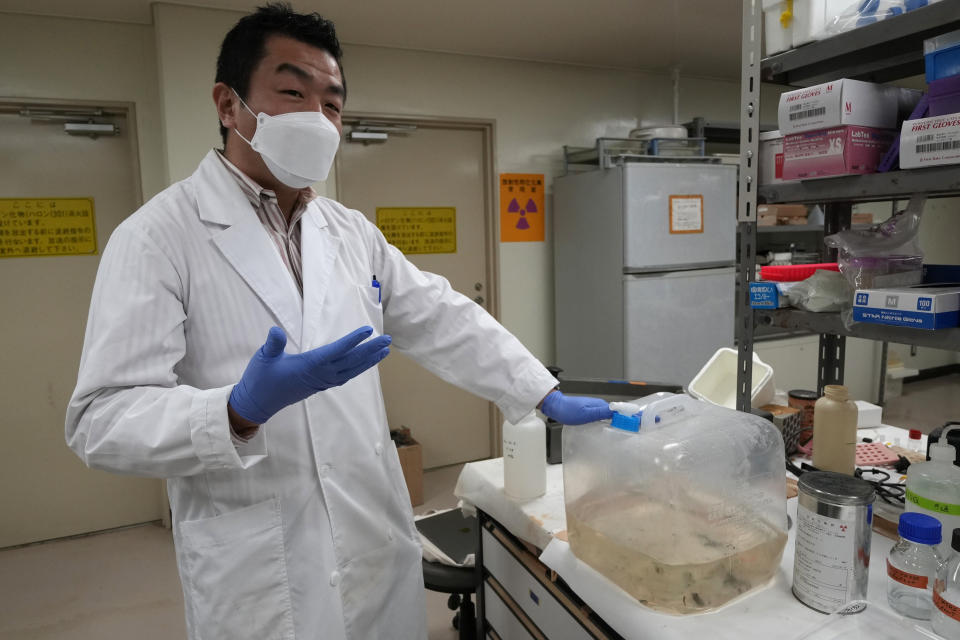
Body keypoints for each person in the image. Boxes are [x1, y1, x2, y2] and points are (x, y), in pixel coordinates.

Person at [65, 4, 612, 639]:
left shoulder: (351, 233)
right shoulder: (159, 237)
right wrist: (236, 411)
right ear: (228, 104)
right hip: (258, 568)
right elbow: (98, 420)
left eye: (331, 103)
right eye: (293, 92)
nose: (317, 118)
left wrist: (537, 388)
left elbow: (441, 316)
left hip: (373, 540)